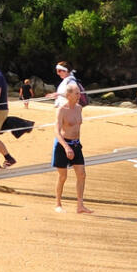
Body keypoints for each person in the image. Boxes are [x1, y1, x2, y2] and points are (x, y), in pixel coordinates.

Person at [52, 77, 90, 213]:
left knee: (82, 174)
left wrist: (74, 146)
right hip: (63, 145)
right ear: (68, 95)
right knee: (63, 176)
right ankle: (58, 204)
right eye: (76, 93)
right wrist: (66, 147)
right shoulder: (62, 110)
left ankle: (80, 205)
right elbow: (56, 131)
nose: (79, 96)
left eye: (79, 93)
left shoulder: (79, 108)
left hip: (76, 145)